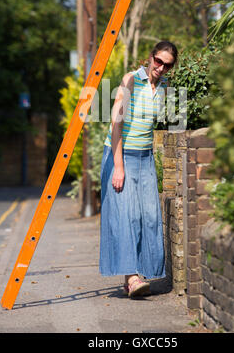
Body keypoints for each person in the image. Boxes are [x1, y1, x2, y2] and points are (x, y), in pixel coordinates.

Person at [99, 41, 178, 297]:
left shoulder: (164, 87)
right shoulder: (131, 79)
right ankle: (132, 277)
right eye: (158, 61)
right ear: (150, 57)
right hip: (121, 155)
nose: (161, 68)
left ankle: (139, 274)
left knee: (149, 217)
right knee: (126, 216)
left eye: (167, 65)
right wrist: (118, 166)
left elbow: (158, 123)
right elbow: (116, 123)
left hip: (145, 157)